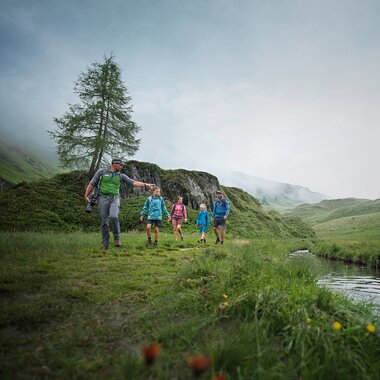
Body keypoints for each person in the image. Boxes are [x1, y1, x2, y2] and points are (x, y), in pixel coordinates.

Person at [84, 158, 155, 250]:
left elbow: (133, 182)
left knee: (114, 216)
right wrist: (86, 195)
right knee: (104, 221)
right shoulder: (101, 172)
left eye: (122, 165)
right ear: (114, 163)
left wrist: (145, 184)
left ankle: (117, 239)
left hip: (114, 198)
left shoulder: (121, 176)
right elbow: (92, 184)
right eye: (120, 165)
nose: (121, 167)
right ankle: (105, 243)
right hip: (102, 198)